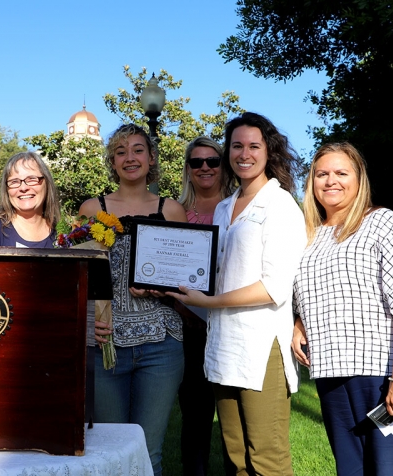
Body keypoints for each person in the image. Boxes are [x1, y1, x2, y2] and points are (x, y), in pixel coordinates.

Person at [167, 112, 306, 475]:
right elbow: (213, 273)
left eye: (253, 146)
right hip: (223, 346)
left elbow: (273, 286)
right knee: (236, 456)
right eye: (237, 145)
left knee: (266, 458)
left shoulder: (280, 206)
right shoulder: (225, 207)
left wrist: (209, 302)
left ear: (268, 151)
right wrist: (162, 281)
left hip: (261, 348)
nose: (244, 153)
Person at [291, 142, 393, 475]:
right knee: (350, 470)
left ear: (359, 179)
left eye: (341, 173)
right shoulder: (309, 235)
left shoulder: (382, 223)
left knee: (389, 469)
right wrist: (298, 321)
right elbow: (308, 290)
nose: (330, 181)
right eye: (322, 174)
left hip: (381, 376)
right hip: (330, 374)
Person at [78, 124, 187, 476]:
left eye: (138, 150)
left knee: (148, 452)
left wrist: (160, 287)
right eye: (121, 151)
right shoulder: (92, 208)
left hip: (160, 344)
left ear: (151, 158)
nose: (130, 158)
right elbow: (81, 276)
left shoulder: (171, 210)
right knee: (110, 453)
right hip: (106, 341)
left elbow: (183, 278)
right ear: (112, 161)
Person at [176, 136, 234, 476]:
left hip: (229, 326)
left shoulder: (238, 209)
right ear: (188, 169)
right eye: (197, 162)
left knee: (232, 418)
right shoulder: (176, 212)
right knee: (195, 416)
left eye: (212, 161)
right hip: (189, 327)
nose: (205, 168)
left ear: (222, 166)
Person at [0, 151, 60, 247]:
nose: (23, 188)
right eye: (14, 182)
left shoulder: (63, 233)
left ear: (47, 183)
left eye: (31, 179)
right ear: (6, 189)